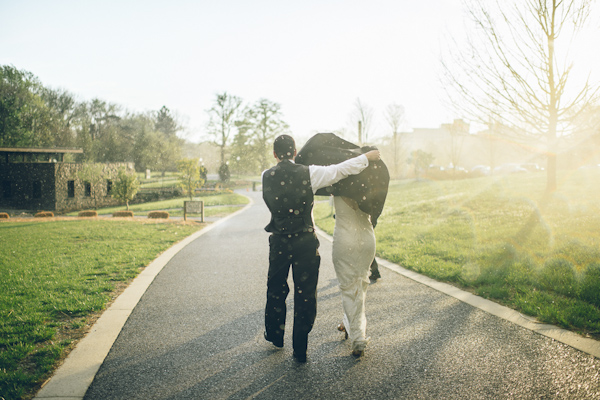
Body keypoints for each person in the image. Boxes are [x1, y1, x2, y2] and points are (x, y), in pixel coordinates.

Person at [262, 134, 380, 363]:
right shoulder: (308, 173)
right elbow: (340, 169)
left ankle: (276, 335)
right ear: (295, 152)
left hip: (278, 241)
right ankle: (300, 347)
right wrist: (365, 157)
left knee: (276, 288)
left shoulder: (266, 176)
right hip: (304, 241)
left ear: (275, 154)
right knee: (304, 293)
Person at [295, 133, 389, 357]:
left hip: (345, 241)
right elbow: (374, 213)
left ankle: (358, 338)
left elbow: (340, 168)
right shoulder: (372, 187)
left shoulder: (340, 180)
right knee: (360, 284)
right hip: (367, 240)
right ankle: (349, 323)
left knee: (348, 286)